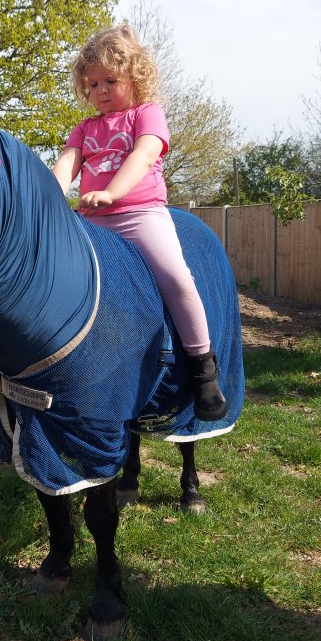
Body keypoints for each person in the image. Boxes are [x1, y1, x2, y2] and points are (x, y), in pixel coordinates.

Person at [52, 23, 227, 421]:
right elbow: (67, 163)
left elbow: (144, 156)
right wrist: (49, 195)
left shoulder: (147, 114)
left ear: (136, 77)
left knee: (176, 278)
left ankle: (203, 367)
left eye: (110, 81)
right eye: (92, 84)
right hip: (92, 221)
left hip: (140, 214)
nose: (100, 91)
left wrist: (112, 192)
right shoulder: (85, 128)